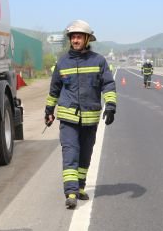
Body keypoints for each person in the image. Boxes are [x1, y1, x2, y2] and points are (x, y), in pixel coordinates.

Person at [45, 20, 117, 209]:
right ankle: (70, 192)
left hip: (90, 118)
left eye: (79, 37)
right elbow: (54, 89)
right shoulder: (62, 62)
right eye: (73, 37)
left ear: (86, 39)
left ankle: (80, 187)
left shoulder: (99, 61)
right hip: (68, 118)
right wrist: (49, 111)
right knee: (71, 152)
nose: (75, 40)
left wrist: (110, 105)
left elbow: (108, 84)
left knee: (85, 155)